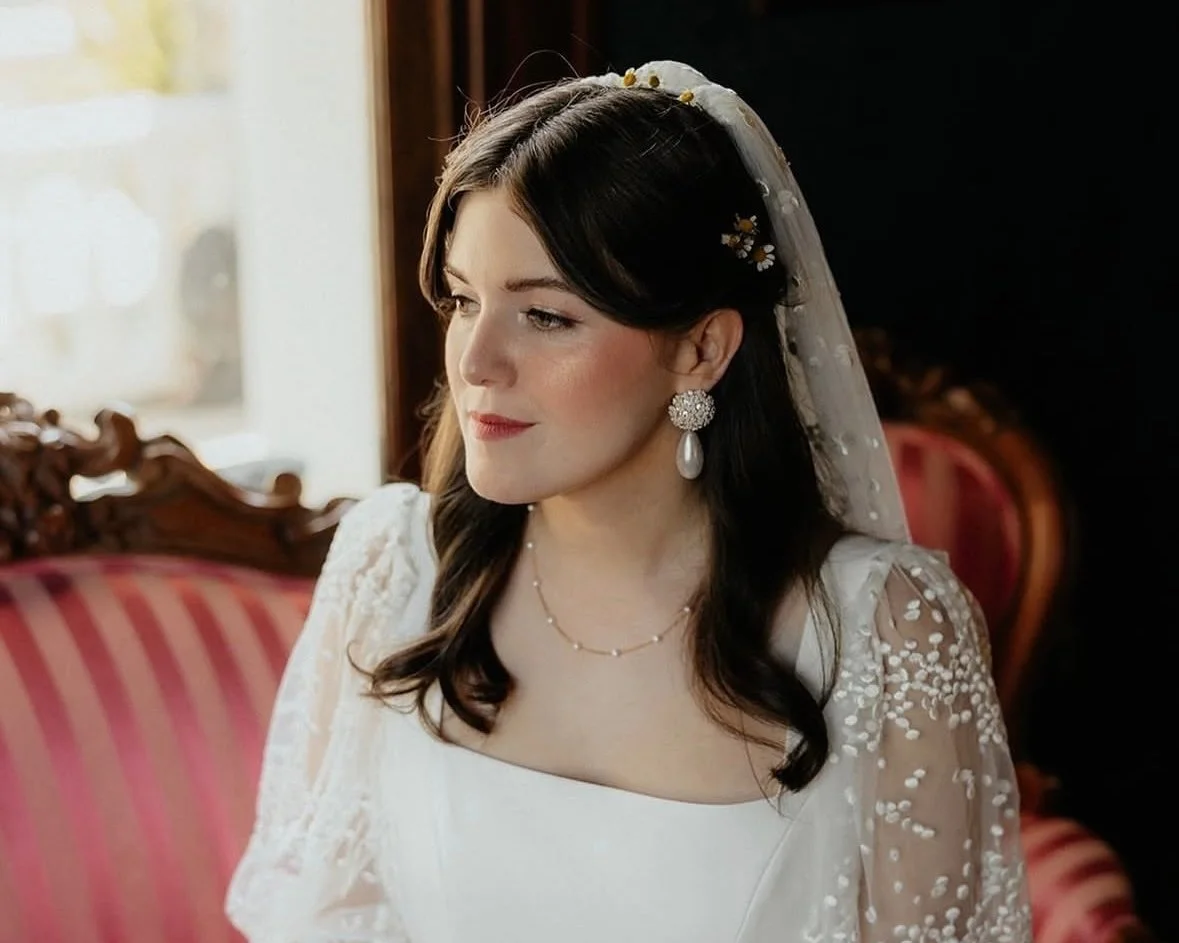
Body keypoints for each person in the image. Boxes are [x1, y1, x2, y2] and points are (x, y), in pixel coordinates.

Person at [225, 60, 1031, 942]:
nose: (476, 361)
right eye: (463, 300)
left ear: (700, 351)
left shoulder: (886, 628)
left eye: (546, 316)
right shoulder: (391, 569)